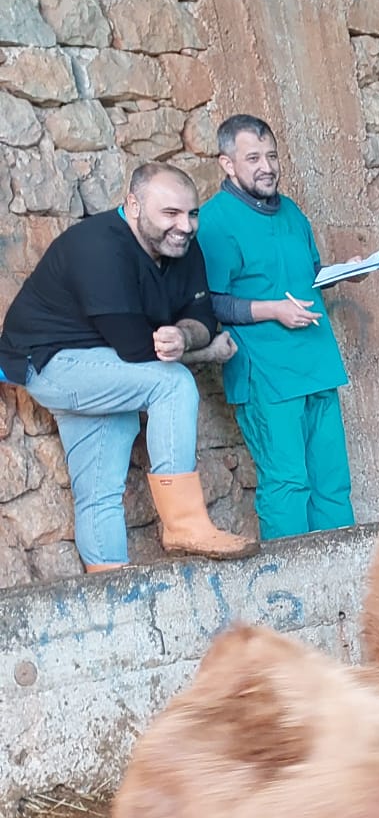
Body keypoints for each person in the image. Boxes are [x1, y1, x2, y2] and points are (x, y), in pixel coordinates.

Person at [0, 163, 250, 571]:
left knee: (99, 490)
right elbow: (136, 349)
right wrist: (202, 353)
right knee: (172, 384)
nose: (185, 226)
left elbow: (203, 318)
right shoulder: (98, 247)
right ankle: (185, 525)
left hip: (107, 364)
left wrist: (185, 336)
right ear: (133, 205)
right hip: (51, 362)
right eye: (170, 213)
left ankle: (108, 583)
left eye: (192, 214)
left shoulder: (182, 246)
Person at [197, 114, 356, 541]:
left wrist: (344, 273)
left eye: (271, 155)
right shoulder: (214, 221)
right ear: (227, 164)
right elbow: (211, 301)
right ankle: (295, 584)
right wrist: (273, 310)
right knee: (287, 485)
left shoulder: (292, 212)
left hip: (317, 362)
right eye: (253, 158)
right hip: (265, 372)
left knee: (333, 484)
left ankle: (343, 577)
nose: (267, 166)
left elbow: (308, 273)